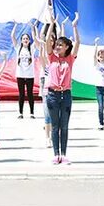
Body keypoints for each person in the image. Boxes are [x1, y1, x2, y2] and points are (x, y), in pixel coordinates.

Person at [43, 13, 79, 164]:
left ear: (66, 47)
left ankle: (63, 154)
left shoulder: (70, 59)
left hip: (66, 94)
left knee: (64, 126)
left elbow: (78, 42)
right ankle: (55, 154)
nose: (57, 47)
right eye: (56, 44)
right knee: (55, 125)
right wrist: (51, 23)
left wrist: (75, 26)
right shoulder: (52, 57)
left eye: (60, 45)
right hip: (52, 95)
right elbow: (46, 41)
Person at [14, 28, 37, 119]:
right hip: (20, 75)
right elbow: (12, 37)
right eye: (24, 38)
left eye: (27, 38)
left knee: (30, 94)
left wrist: (33, 29)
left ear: (29, 40)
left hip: (30, 75)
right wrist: (15, 26)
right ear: (21, 41)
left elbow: (36, 39)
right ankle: (20, 113)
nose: (25, 40)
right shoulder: (18, 48)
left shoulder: (31, 49)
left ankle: (32, 113)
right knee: (21, 94)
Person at [93, 46, 104, 131]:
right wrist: (96, 45)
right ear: (98, 57)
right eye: (100, 56)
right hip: (99, 88)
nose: (102, 58)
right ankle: (101, 123)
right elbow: (94, 56)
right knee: (100, 106)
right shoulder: (97, 64)